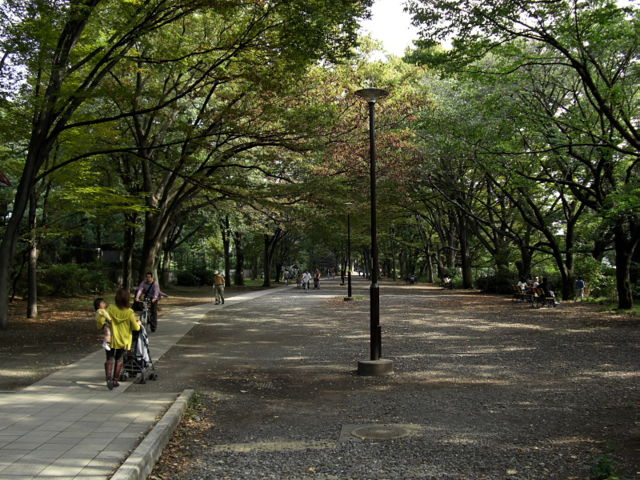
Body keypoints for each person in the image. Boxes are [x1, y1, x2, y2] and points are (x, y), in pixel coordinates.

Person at [104, 288, 141, 390]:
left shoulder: (110, 308)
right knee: (119, 359)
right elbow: (135, 328)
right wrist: (138, 323)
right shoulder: (130, 312)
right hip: (124, 340)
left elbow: (103, 319)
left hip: (111, 338)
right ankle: (115, 380)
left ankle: (108, 378)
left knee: (109, 358)